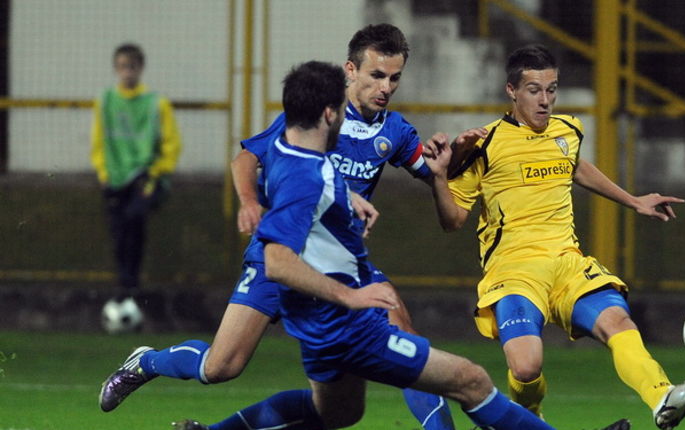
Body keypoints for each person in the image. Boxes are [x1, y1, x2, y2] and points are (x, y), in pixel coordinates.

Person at [186, 61, 627, 430]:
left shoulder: (303, 159)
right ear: (329, 113)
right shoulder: (306, 175)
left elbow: (326, 191)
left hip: (326, 324)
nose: (353, 110)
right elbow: (278, 261)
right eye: (342, 106)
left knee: (338, 412)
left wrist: (429, 168)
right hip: (347, 324)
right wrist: (352, 295)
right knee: (469, 380)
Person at [99, 24, 484, 430]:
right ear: (350, 70)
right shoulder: (316, 115)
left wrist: (456, 155)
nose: (386, 87)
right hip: (280, 255)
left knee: (391, 351)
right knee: (221, 366)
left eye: (394, 78)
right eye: (376, 75)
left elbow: (435, 174)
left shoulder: (395, 131)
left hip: (339, 266)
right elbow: (246, 158)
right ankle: (147, 361)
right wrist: (249, 202)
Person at [423, 44, 685, 430]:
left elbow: (575, 167)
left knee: (619, 322)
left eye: (552, 89)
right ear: (511, 91)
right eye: (534, 90)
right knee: (527, 367)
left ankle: (663, 396)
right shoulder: (483, 145)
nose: (545, 100)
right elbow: (453, 221)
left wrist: (633, 201)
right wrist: (438, 176)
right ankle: (528, 423)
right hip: (513, 270)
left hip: (566, 261)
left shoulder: (568, 129)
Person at [90, 43, 181, 317]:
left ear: (140, 68)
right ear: (116, 69)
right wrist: (104, 174)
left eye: (131, 66)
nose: (126, 72)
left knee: (134, 221)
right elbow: (98, 142)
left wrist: (156, 171)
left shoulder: (156, 103)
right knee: (119, 233)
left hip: (146, 177)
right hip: (115, 179)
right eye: (121, 67)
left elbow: (172, 143)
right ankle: (125, 284)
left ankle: (130, 285)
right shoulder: (105, 101)